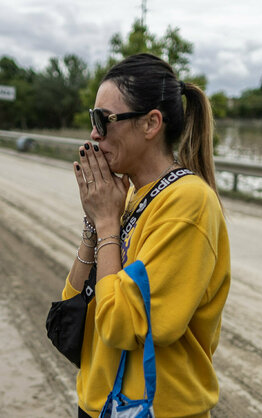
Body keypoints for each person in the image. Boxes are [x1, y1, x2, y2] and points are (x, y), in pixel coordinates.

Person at [61, 53, 230, 417]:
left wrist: (108, 224)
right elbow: (73, 311)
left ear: (151, 123)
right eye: (94, 120)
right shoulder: (131, 196)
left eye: (103, 120)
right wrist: (95, 225)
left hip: (154, 409)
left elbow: (121, 324)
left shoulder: (188, 204)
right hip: (101, 403)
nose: (94, 133)